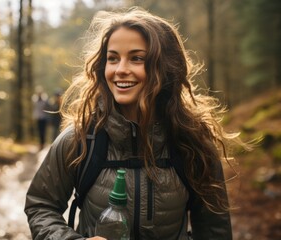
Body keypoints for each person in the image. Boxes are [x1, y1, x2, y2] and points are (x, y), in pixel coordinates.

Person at [25, 7, 241, 240]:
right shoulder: (78, 140)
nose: (120, 70)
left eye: (137, 58)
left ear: (165, 66)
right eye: (113, 58)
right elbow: (41, 205)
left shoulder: (193, 141)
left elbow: (214, 230)